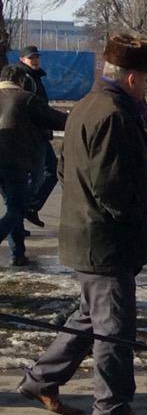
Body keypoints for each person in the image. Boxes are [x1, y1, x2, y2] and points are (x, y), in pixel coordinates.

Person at [18, 35, 147, 415]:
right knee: (114, 328)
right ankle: (112, 407)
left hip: (86, 231)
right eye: (145, 80)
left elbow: (65, 170)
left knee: (91, 318)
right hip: (106, 240)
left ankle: (41, 380)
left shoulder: (88, 107)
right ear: (129, 78)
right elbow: (113, 188)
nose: (146, 87)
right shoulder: (113, 114)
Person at [0, 65, 67, 266]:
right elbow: (57, 120)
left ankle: (18, 254)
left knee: (15, 208)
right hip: (16, 162)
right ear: (21, 81)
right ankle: (16, 252)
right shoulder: (26, 99)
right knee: (17, 208)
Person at [13, 45, 59, 228]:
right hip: (33, 134)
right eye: (31, 58)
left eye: (36, 57)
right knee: (48, 171)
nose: (35, 60)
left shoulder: (34, 77)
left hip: (37, 132)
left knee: (40, 173)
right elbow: (31, 108)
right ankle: (28, 208)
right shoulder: (26, 78)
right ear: (22, 60)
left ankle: (23, 213)